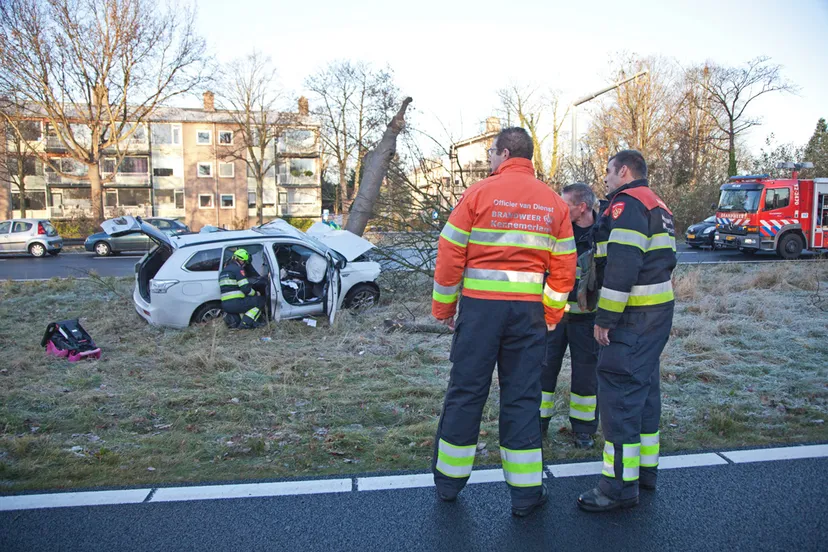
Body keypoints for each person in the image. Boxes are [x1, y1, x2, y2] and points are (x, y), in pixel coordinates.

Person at [431, 127, 576, 517]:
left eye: (492, 152)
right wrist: (550, 314)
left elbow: (450, 251)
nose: (490, 159)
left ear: (506, 152)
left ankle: (448, 484)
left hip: (480, 311)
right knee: (522, 397)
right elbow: (564, 268)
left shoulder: (478, 194)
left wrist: (444, 308)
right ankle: (527, 495)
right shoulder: (553, 202)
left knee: (466, 392)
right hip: (527, 315)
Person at [577, 150, 677, 513]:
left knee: (618, 396)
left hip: (632, 317)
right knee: (644, 393)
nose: (604, 178)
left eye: (607, 171)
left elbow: (622, 266)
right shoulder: (658, 205)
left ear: (623, 171)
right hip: (656, 314)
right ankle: (644, 472)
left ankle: (617, 488)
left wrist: (605, 318)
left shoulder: (628, 204)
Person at [540, 182, 600, 448]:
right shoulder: (557, 229)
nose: (559, 210)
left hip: (588, 318)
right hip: (554, 316)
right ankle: (537, 424)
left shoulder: (603, 232)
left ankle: (583, 430)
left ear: (582, 207)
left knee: (586, 374)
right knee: (543, 369)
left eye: (565, 205)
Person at [218, 248, 267, 329]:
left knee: (249, 302)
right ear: (240, 260)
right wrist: (256, 293)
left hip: (225, 304)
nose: (244, 265)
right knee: (261, 301)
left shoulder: (224, 271)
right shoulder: (238, 270)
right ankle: (245, 324)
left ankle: (241, 322)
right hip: (236, 302)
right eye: (244, 262)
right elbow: (246, 289)